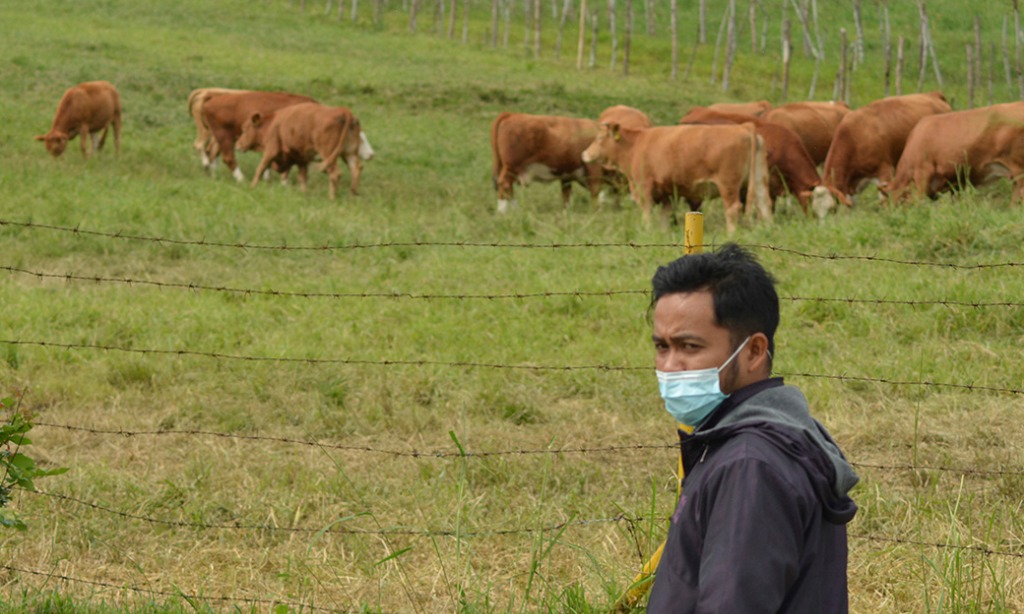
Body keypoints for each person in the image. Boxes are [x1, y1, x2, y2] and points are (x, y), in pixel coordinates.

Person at [644, 243, 859, 613]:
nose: (670, 366)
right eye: (662, 347)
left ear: (754, 351)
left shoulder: (749, 466)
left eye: (689, 346)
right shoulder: (738, 441)